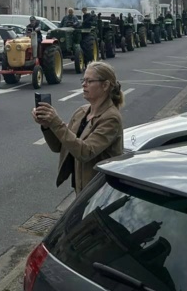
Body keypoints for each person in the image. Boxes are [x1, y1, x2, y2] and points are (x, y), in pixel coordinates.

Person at [32, 61, 125, 195]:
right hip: (82, 190)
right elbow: (59, 146)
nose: (83, 84)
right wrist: (47, 125)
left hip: (100, 193)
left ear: (105, 85)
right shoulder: (82, 112)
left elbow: (85, 152)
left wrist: (56, 122)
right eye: (83, 80)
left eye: (89, 81)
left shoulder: (111, 118)